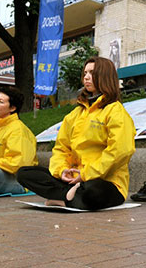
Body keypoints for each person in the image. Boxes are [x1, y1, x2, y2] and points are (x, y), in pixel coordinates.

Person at [17, 57, 136, 210]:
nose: (86, 77)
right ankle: (70, 196)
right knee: (24, 173)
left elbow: (120, 151)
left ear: (105, 76)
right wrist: (62, 171)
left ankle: (63, 197)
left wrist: (86, 174)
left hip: (104, 182)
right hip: (72, 180)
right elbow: (61, 148)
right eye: (85, 73)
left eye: (92, 73)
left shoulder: (115, 111)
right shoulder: (75, 114)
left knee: (92, 191)